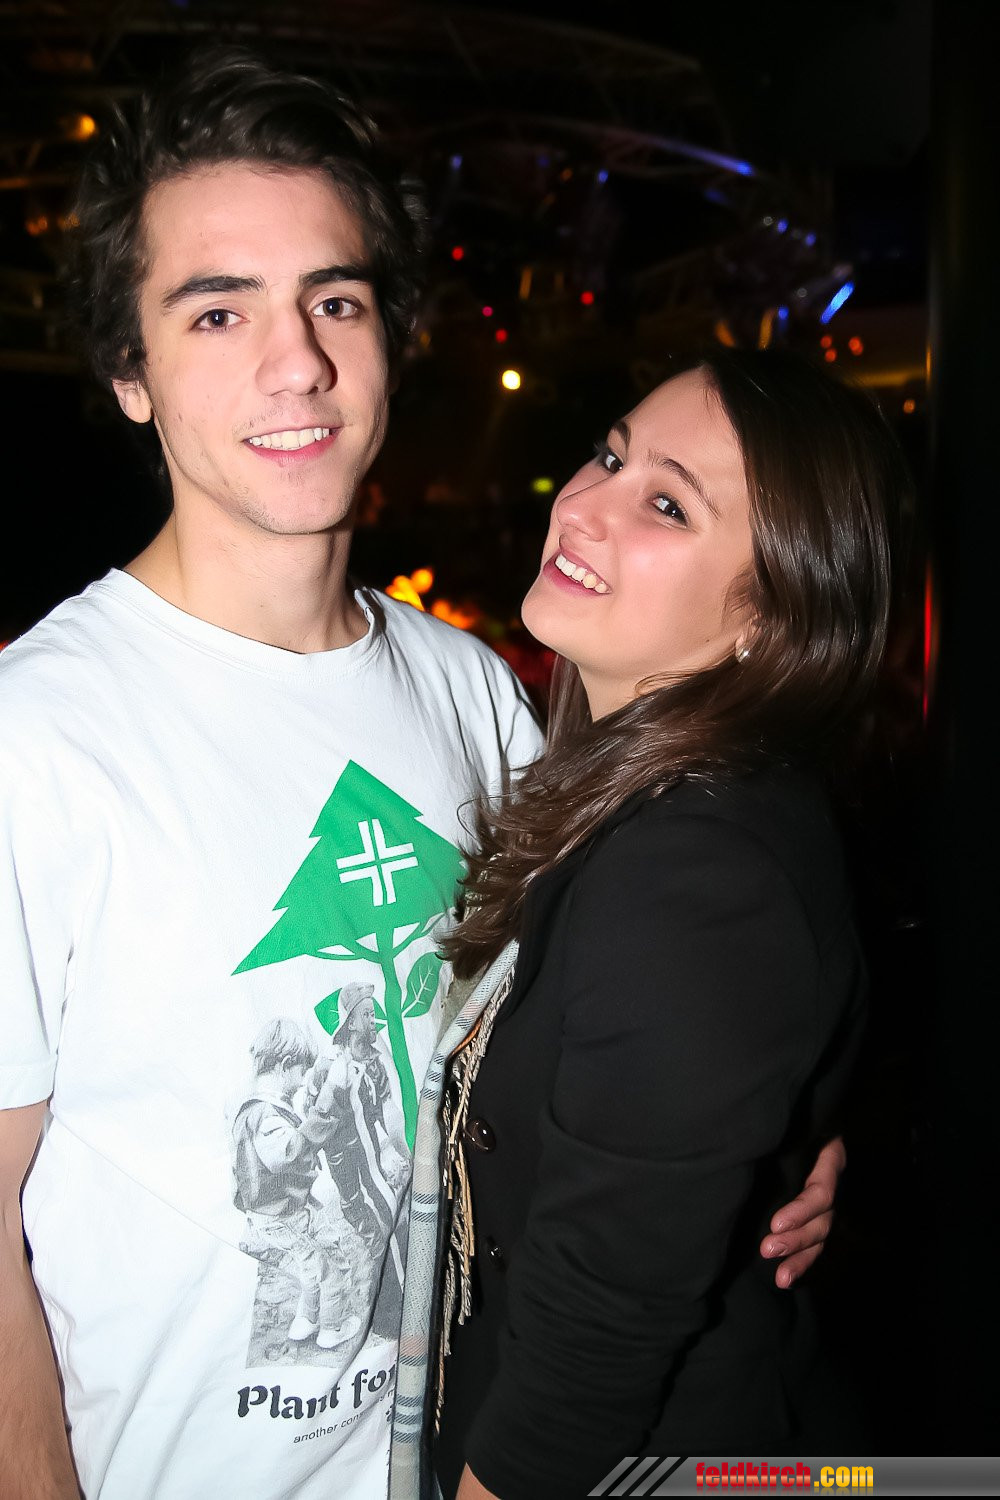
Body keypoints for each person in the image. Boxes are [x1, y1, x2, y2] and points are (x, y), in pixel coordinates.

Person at [0, 46, 841, 1500]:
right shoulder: (38, 734)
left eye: (334, 300)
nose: (297, 364)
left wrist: (774, 1144)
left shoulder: (474, 691)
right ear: (130, 375)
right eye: (218, 311)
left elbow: (634, 1025)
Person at [388, 349, 905, 1500]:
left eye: (667, 504)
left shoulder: (698, 868)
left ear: (767, 619)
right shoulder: (633, 794)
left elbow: (594, 1344)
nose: (582, 506)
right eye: (609, 457)